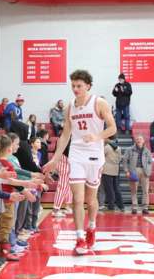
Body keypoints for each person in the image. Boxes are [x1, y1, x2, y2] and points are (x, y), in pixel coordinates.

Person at [43, 69, 116, 255]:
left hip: (94, 154)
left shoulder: (99, 103)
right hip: (75, 154)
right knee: (77, 199)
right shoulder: (70, 107)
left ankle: (91, 226)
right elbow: (66, 133)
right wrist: (56, 158)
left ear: (88, 86)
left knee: (91, 200)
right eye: (73, 86)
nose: (75, 89)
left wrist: (97, 136)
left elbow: (113, 129)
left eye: (79, 86)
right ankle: (79, 237)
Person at [123, 134, 152, 215]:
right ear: (135, 141)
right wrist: (127, 171)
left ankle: (145, 208)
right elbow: (124, 161)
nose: (139, 140)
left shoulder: (147, 151)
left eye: (140, 139)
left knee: (145, 191)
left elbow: (150, 162)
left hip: (144, 171)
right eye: (137, 139)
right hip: (134, 171)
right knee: (134, 191)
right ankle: (134, 207)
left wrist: (148, 171)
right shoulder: (130, 149)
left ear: (143, 141)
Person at [102, 138, 124, 211]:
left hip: (107, 170)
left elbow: (101, 156)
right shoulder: (119, 148)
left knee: (109, 189)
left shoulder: (107, 147)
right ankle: (121, 206)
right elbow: (120, 159)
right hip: (116, 170)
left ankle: (111, 206)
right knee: (116, 189)